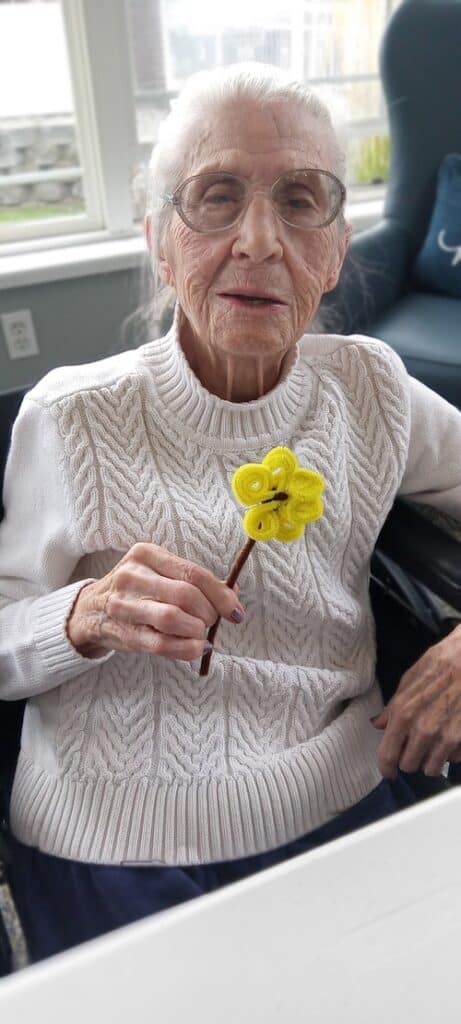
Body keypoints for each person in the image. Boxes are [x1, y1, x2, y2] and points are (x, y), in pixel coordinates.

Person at [1, 62, 461, 964]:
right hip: (113, 841)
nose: (259, 240)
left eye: (300, 201)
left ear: (335, 252)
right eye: (215, 197)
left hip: (341, 799)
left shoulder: (370, 389)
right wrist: (81, 615)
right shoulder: (70, 417)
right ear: (160, 243)